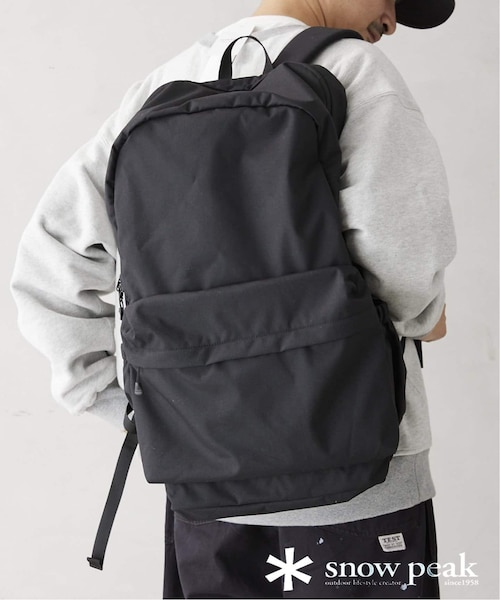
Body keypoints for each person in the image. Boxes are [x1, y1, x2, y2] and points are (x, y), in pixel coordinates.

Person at [11, 0, 457, 597]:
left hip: (208, 495)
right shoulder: (355, 70)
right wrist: (425, 313)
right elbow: (403, 258)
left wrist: (154, 416)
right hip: (360, 490)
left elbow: (49, 264)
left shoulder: (160, 87)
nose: (392, 22)